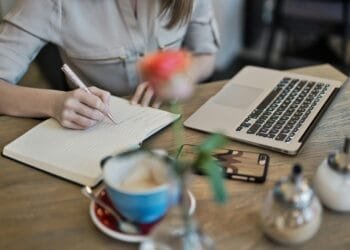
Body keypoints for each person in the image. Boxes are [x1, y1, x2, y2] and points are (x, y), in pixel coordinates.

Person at [0, 0, 219, 129]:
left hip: (174, 120)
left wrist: (182, 79)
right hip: (96, 128)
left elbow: (206, 55)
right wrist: (53, 103)